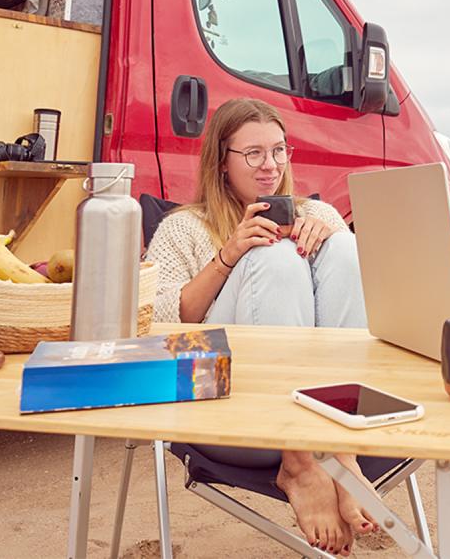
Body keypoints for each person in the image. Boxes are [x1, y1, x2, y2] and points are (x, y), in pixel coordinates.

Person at [145, 97, 373, 555]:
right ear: (222, 163)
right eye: (253, 153)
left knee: (348, 247)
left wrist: (330, 246)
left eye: (279, 150)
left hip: (322, 401)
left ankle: (337, 447)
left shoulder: (319, 214)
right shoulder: (183, 227)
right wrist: (230, 255)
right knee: (271, 255)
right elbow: (160, 324)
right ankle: (300, 461)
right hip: (226, 395)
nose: (270, 165)